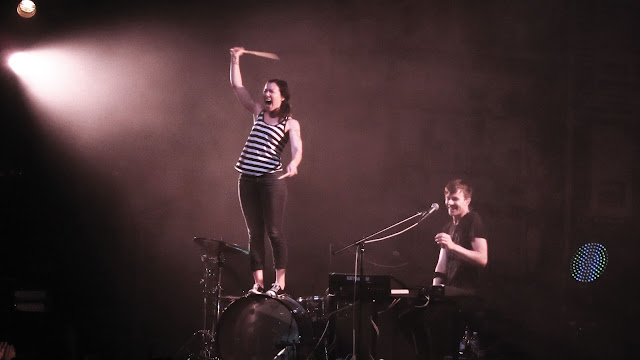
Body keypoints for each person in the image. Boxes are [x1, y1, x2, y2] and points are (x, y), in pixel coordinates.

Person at [229, 47, 303, 298]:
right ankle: (258, 284)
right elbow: (238, 88)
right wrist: (235, 59)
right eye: (265, 90)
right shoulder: (258, 112)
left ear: (282, 96)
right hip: (247, 179)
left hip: (271, 180)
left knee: (273, 231)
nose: (266, 93)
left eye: (271, 90)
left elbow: (297, 147)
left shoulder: (290, 123)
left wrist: (294, 163)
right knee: (254, 233)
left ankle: (279, 283)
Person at [400, 179, 488, 359]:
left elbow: (482, 258)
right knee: (406, 318)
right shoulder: (448, 227)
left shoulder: (473, 220)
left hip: (467, 291)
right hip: (448, 292)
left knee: (433, 322)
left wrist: (453, 246)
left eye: (455, 198)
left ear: (467, 201)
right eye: (447, 198)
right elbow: (441, 265)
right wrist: (435, 291)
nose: (449, 203)